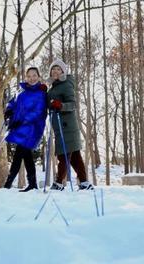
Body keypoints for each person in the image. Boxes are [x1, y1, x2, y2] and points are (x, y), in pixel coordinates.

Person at [47, 59, 93, 191]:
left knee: (63, 156)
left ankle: (58, 183)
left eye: (58, 69)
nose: (55, 71)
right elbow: (49, 102)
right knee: (75, 157)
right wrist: (44, 92)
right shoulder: (54, 86)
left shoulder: (66, 84)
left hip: (67, 126)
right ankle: (84, 182)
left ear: (63, 71)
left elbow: (73, 104)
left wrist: (60, 105)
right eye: (53, 69)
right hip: (59, 126)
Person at [2, 67, 48, 192]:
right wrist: (9, 110)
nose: (31, 78)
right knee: (26, 155)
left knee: (19, 154)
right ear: (26, 77)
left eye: (34, 75)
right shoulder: (21, 91)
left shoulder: (41, 93)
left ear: (38, 77)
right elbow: (13, 102)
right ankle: (32, 183)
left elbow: (38, 112)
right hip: (20, 126)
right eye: (29, 76)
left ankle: (8, 184)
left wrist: (21, 120)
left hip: (32, 127)